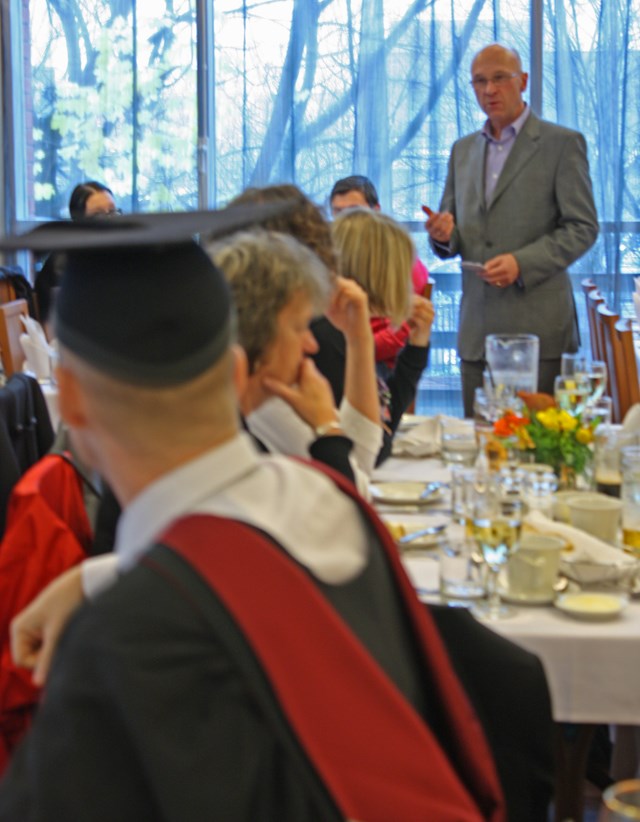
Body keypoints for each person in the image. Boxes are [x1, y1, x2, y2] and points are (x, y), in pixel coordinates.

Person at [0, 215, 506, 821]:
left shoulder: (120, 644)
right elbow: (250, 566)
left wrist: (106, 588)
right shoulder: (332, 500)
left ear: (72, 398)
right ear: (238, 372)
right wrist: (99, 578)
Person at [424, 43, 599, 417]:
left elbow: (583, 227)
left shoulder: (561, 144)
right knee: (480, 447)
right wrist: (442, 235)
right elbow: (454, 233)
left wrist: (522, 263)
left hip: (538, 330)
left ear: (523, 81)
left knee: (537, 452)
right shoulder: (462, 150)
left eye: (499, 79)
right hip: (477, 331)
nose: (489, 90)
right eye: (480, 81)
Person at [209, 229, 379, 489]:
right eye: (300, 327)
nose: (311, 345)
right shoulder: (235, 451)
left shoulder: (233, 430)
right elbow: (350, 502)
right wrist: (327, 429)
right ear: (262, 335)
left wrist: (358, 339)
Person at [314, 207, 434, 463]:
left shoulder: (342, 328)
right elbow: (375, 446)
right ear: (379, 273)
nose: (407, 282)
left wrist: (417, 345)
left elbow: (385, 415)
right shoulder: (325, 337)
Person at [329, 174, 432, 372]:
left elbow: (400, 333)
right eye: (338, 212)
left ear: (376, 211)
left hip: (376, 360)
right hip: (337, 351)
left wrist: (355, 348)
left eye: (354, 212)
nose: (345, 221)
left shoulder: (401, 259)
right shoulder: (328, 258)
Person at [35, 181, 120, 328]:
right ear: (78, 222)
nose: (109, 220)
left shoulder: (116, 256)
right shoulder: (63, 263)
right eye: (98, 215)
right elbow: (56, 331)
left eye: (113, 212)